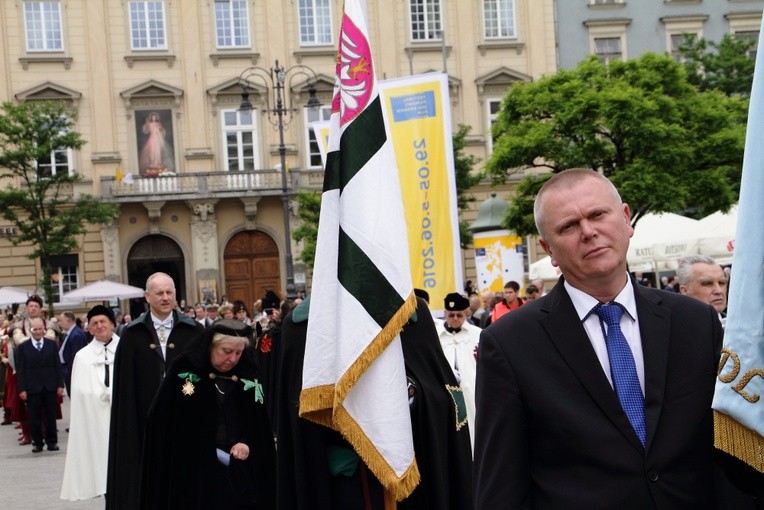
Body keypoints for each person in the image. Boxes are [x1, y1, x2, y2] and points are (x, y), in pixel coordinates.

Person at [474, 169, 723, 509]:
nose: (589, 232)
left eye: (597, 215)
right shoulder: (509, 344)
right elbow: (501, 485)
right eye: (568, 226)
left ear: (625, 219)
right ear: (549, 249)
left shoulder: (696, 322)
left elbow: (728, 450)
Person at [277, 295, 473, 509]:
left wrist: (412, 395)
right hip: (341, 477)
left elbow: (439, 392)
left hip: (411, 466)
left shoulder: (414, 313)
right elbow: (297, 413)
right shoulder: (301, 324)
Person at [140, 319, 276, 509]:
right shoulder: (184, 368)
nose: (233, 359)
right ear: (211, 345)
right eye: (227, 351)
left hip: (238, 473)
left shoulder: (248, 372)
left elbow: (259, 424)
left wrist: (246, 441)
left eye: (239, 353)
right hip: (193, 472)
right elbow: (161, 420)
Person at [106, 272, 204, 510]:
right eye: (159, 293)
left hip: (183, 416)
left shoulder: (193, 332)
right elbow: (125, 389)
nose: (165, 297)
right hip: (143, 418)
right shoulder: (131, 334)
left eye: (169, 292)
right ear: (147, 297)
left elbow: (200, 374)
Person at [61, 305, 120, 501]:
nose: (100, 326)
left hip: (123, 421)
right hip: (95, 424)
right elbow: (78, 393)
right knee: (103, 473)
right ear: (89, 329)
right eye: (95, 323)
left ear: (112, 323)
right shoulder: (83, 357)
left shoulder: (126, 349)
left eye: (103, 321)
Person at [434, 292, 481, 451]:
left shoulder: (478, 335)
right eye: (451, 315)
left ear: (466, 313)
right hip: (446, 395)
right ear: (445, 314)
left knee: (473, 432)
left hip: (471, 393)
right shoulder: (437, 337)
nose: (454, 319)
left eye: (459, 315)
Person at [15, 317, 64, 453]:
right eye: (34, 329)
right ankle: (37, 443)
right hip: (32, 388)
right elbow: (21, 370)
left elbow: (57, 366)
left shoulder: (51, 344)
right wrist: (22, 389)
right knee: (34, 417)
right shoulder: (23, 347)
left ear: (44, 329)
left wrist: (60, 385)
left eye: (40, 329)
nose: (37, 332)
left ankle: (52, 442)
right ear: (30, 330)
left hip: (50, 386)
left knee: (50, 416)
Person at [676, 255, 728, 324]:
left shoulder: (738, 325)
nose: (719, 291)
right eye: (707, 283)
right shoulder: (671, 329)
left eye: (721, 283)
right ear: (685, 291)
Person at [57, 311, 87, 397]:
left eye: (61, 321)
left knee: (75, 399)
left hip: (72, 372)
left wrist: (68, 372)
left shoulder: (76, 334)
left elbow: (75, 357)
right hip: (67, 371)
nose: (60, 323)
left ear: (68, 320)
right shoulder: (69, 333)